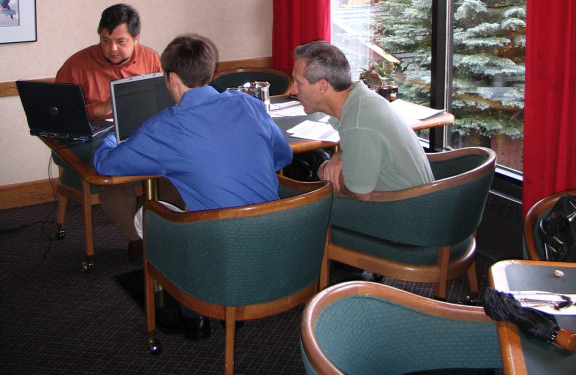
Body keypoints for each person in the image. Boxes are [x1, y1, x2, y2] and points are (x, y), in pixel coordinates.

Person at [93, 34, 293, 339]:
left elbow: (106, 165)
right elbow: (283, 155)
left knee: (148, 215)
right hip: (279, 239)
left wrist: (112, 136)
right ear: (209, 73)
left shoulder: (166, 126)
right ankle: (226, 304)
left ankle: (191, 313)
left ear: (172, 79)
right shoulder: (247, 104)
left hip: (221, 248)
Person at [55, 3, 162, 254]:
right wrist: (98, 109)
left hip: (141, 133)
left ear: (136, 38)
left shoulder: (150, 58)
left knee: (175, 169)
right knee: (112, 178)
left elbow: (162, 101)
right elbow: (59, 115)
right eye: (105, 40)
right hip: (97, 138)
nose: (112, 48)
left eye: (121, 41)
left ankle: (165, 229)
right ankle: (138, 240)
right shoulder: (77, 65)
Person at [291, 40, 433, 198]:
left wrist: (323, 169)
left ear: (323, 86)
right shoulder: (363, 99)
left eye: (299, 83)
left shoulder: (358, 122)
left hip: (401, 210)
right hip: (415, 201)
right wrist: (341, 155)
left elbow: (359, 193)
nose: (293, 90)